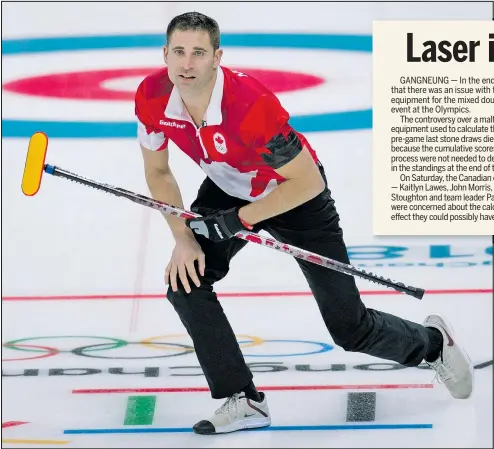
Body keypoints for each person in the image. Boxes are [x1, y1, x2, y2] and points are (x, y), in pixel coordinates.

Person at [135, 11, 474, 435]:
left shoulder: (250, 103)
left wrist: (240, 220)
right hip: (228, 186)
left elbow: (307, 182)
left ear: (217, 57)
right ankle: (243, 400)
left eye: (199, 53)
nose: (187, 64)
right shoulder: (151, 95)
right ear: (164, 53)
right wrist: (182, 237)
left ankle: (433, 345)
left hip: (292, 196)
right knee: (186, 281)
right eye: (179, 52)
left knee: (350, 329)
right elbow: (159, 172)